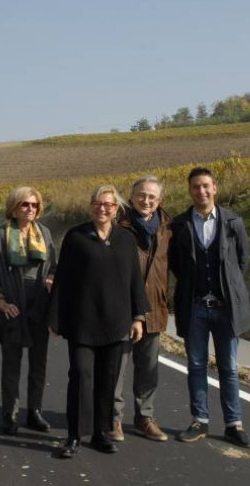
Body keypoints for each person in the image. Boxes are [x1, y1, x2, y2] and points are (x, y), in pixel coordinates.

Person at [51, 185, 150, 459]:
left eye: (108, 204)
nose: (102, 208)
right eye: (97, 203)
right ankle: (74, 436)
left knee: (107, 379)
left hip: (116, 321)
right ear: (91, 205)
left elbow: (134, 281)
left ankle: (100, 433)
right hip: (82, 321)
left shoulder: (126, 239)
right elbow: (63, 280)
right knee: (81, 376)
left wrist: (138, 317)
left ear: (116, 209)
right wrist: (55, 317)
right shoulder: (76, 236)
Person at [170, 167, 250, 448]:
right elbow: (176, 265)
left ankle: (234, 424)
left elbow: (241, 261)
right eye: (196, 187)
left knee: (229, 367)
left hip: (225, 308)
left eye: (206, 186)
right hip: (194, 307)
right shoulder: (180, 225)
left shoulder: (233, 222)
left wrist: (228, 287)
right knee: (195, 365)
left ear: (215, 188)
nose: (201, 191)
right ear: (190, 190)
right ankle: (200, 421)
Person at [0, 186, 56, 436]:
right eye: (25, 205)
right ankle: (10, 413)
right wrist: (0, 301)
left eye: (34, 205)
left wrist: (51, 280)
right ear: (14, 207)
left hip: (39, 305)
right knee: (11, 365)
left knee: (39, 363)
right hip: (13, 304)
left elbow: (54, 266)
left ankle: (35, 411)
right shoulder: (1, 233)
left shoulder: (45, 233)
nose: (30, 209)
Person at [111, 176, 172, 443]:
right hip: (122, 307)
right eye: (141, 195)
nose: (146, 201)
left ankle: (145, 417)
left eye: (152, 197)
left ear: (159, 201)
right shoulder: (118, 224)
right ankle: (113, 417)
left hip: (154, 308)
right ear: (131, 196)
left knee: (148, 368)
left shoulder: (169, 228)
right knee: (117, 366)